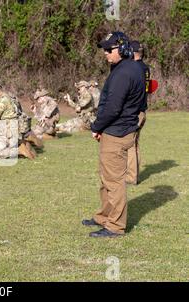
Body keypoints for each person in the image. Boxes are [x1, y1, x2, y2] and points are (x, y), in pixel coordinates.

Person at [82, 32, 145, 238]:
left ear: (124, 49)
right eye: (104, 49)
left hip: (116, 133)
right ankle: (104, 216)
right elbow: (141, 104)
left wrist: (96, 126)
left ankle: (115, 226)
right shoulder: (135, 68)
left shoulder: (123, 73)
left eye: (110, 49)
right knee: (107, 178)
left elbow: (112, 108)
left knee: (114, 182)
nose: (106, 53)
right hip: (122, 129)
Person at [126, 40, 150, 185]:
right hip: (142, 110)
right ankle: (134, 173)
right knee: (135, 144)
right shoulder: (145, 67)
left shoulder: (134, 68)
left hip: (135, 112)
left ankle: (131, 176)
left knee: (130, 144)